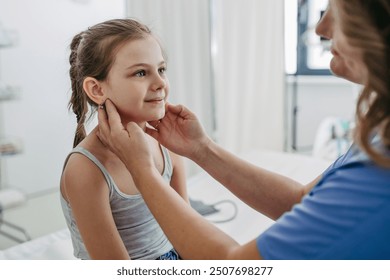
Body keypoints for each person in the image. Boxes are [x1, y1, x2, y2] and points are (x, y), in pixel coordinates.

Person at [97, 0, 390, 260]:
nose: (320, 28)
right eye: (140, 72)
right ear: (95, 88)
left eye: (338, 10)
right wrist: (202, 149)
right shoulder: (380, 131)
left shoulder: (380, 171)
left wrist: (142, 172)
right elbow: (302, 201)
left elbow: (234, 265)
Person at [60, 18, 188, 260]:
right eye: (141, 72)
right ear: (97, 90)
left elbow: (188, 234)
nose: (160, 83)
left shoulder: (167, 145)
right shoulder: (86, 168)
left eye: (161, 70)